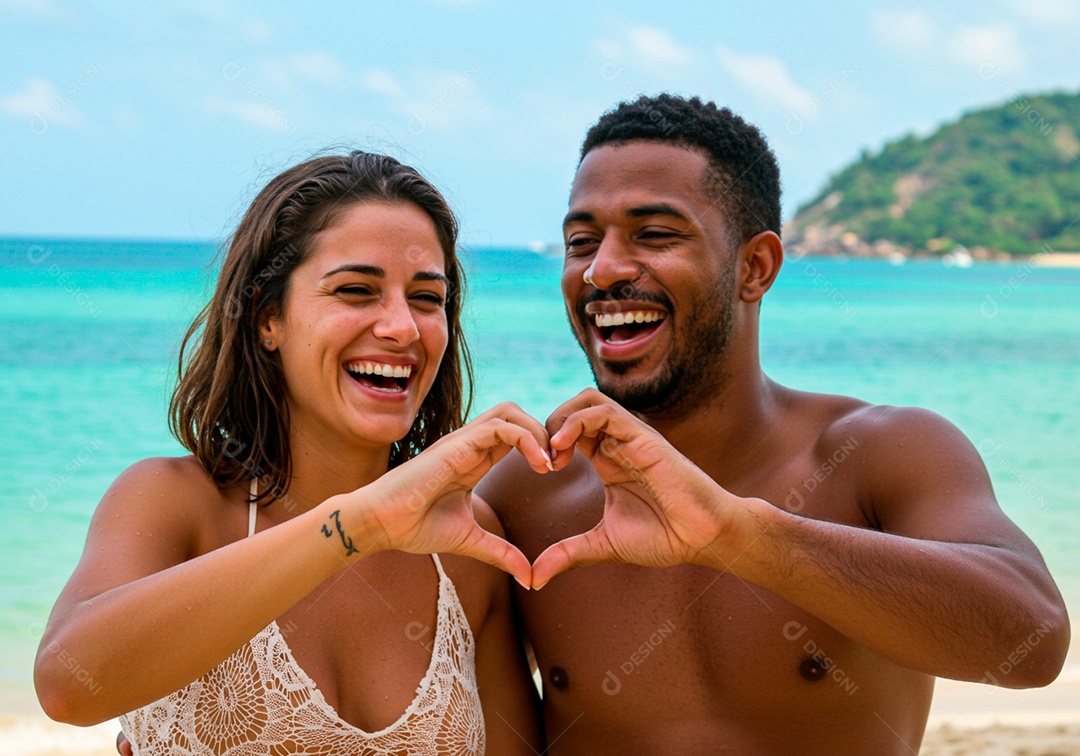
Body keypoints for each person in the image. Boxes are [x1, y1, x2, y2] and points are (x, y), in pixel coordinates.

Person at [476, 94, 1071, 754]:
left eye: (654, 234)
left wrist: (737, 534)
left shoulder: (882, 454)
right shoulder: (526, 493)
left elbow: (1032, 640)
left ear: (755, 267)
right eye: (581, 242)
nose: (603, 268)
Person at [34, 152, 546, 754]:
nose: (404, 328)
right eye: (357, 291)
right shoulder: (174, 504)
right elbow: (68, 685)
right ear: (267, 317)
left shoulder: (465, 549)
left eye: (429, 299)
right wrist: (361, 523)